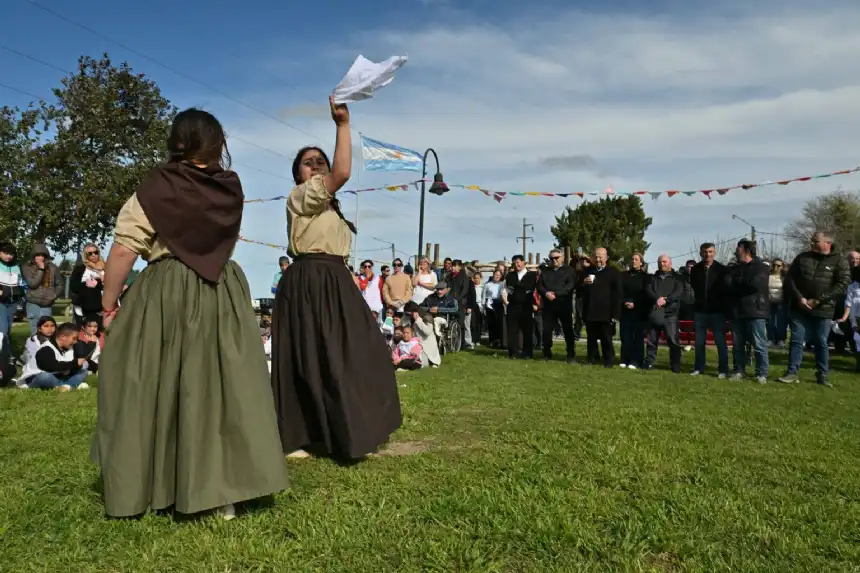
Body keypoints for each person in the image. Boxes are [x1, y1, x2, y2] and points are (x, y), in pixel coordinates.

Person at [91, 108, 288, 520]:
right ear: (218, 143)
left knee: (151, 382)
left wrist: (108, 305)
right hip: (223, 291)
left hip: (166, 291)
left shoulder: (157, 186)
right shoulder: (229, 187)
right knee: (218, 388)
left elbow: (126, 248)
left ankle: (154, 483)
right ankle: (223, 490)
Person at [271, 97, 401, 460]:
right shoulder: (301, 197)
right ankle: (302, 436)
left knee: (363, 351)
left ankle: (354, 426)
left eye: (320, 161)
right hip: (310, 279)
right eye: (308, 162)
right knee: (311, 356)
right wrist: (343, 125)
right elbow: (341, 173)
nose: (315, 165)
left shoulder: (332, 206)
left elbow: (337, 178)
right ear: (298, 174)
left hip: (335, 278)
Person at [778, 231, 850, 387]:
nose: (812, 243)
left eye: (815, 241)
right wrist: (800, 298)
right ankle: (792, 372)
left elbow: (842, 284)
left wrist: (819, 299)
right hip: (800, 308)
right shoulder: (802, 258)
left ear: (827, 243)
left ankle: (822, 374)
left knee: (821, 341)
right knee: (797, 340)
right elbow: (790, 279)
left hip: (823, 309)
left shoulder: (839, 261)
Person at [724, 239, 770, 383]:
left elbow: (756, 285)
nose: (736, 251)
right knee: (738, 344)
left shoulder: (761, 267)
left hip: (756, 311)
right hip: (738, 311)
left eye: (738, 248)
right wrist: (742, 283)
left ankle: (761, 373)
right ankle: (739, 370)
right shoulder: (734, 268)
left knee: (759, 344)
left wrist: (738, 282)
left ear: (746, 250)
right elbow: (727, 285)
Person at [689, 242, 729, 378]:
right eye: (705, 252)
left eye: (710, 252)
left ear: (714, 252)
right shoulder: (695, 269)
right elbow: (693, 288)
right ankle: (699, 367)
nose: (708, 254)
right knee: (699, 342)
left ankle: (723, 369)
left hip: (717, 311)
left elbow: (725, 290)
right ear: (701, 253)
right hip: (700, 311)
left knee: (720, 341)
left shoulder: (721, 270)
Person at [580, 247, 623, 367]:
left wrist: (615, 314)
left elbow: (618, 294)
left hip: (606, 312)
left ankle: (608, 360)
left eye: (600, 257)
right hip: (590, 310)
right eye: (596, 256)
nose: (598, 259)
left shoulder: (614, 272)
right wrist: (583, 283)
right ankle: (592, 358)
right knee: (591, 338)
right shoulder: (588, 271)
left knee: (606, 338)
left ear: (607, 258)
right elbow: (579, 291)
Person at [17, 322, 90, 391]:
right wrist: (75, 363)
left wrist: (77, 365)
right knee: (45, 377)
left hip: (58, 376)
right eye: (74, 338)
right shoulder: (46, 348)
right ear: (62, 337)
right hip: (36, 377)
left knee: (83, 372)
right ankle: (70, 385)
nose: (76, 342)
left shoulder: (68, 348)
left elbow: (70, 367)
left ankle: (65, 386)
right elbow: (51, 366)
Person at [643, 255, 684, 373]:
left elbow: (678, 292)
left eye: (664, 262)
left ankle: (675, 364)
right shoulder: (652, 277)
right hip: (655, 312)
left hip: (670, 314)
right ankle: (649, 362)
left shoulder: (678, 278)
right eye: (660, 262)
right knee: (651, 340)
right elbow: (648, 290)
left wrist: (666, 300)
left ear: (670, 263)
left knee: (673, 340)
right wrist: (657, 299)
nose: (662, 264)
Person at [538, 249, 576, 363]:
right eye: (551, 258)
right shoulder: (545, 271)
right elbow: (539, 286)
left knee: (568, 330)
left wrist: (556, 294)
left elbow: (570, 286)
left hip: (564, 305)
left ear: (562, 258)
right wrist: (545, 293)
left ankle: (571, 354)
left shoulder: (569, 271)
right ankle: (547, 354)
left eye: (556, 258)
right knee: (547, 331)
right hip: (549, 306)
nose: (554, 260)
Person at [22, 243, 63, 335]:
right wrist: (41, 269)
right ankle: (34, 349)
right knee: (35, 332)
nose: (41, 258)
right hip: (33, 303)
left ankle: (46, 348)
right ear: (33, 256)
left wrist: (53, 296)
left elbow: (60, 285)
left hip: (47, 304)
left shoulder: (53, 268)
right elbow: (33, 284)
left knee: (47, 332)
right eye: (38, 255)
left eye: (43, 255)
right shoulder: (26, 267)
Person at [504, 254, 538, 359]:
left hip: (526, 306)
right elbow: (508, 289)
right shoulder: (510, 275)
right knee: (512, 330)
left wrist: (519, 287)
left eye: (518, 262)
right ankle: (513, 353)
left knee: (527, 331)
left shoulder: (532, 275)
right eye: (514, 263)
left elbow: (530, 288)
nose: (516, 264)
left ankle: (527, 353)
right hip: (513, 305)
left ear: (524, 263)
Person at [620, 252, 648, 369]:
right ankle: (625, 359)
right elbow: (619, 291)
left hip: (639, 311)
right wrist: (624, 302)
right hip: (625, 310)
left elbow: (646, 294)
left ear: (641, 262)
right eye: (632, 259)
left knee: (637, 337)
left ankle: (636, 360)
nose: (634, 261)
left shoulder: (645, 277)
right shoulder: (624, 276)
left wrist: (635, 304)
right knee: (625, 336)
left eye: (636, 259)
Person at [70, 243, 106, 328]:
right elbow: (73, 287)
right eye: (90, 253)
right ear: (86, 255)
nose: (93, 255)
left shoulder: (106, 267)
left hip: (101, 306)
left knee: (99, 331)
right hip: (83, 306)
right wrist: (86, 285)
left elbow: (111, 284)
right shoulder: (80, 269)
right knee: (82, 330)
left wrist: (97, 284)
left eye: (95, 252)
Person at [0, 242, 25, 339]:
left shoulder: (16, 267)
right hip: (1, 303)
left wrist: (19, 292)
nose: (9, 256)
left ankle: (7, 353)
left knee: (8, 330)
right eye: (6, 253)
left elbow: (20, 283)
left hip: (12, 303)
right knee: (3, 330)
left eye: (11, 254)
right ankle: (5, 353)